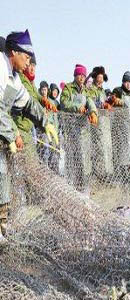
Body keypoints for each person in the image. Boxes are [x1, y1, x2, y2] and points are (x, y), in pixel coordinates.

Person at [0, 30, 58, 243]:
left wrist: (46, 123)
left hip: (2, 137)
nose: (28, 62)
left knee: (2, 181)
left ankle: (1, 231)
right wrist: (12, 133)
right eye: (26, 57)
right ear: (13, 52)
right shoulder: (0, 67)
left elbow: (27, 103)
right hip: (3, 133)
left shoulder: (14, 78)